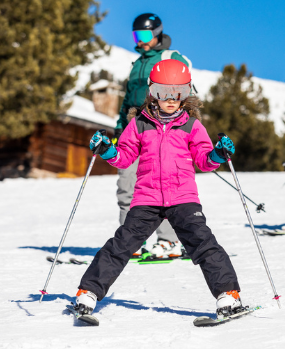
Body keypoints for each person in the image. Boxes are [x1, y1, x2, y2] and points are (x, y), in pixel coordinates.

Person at [74, 60, 242, 319]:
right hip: (147, 198)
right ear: (153, 91)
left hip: (182, 198)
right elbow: (125, 156)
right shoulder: (140, 124)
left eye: (179, 93)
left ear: (187, 93)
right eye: (164, 92)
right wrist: (108, 150)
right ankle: (88, 292)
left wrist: (219, 154)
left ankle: (228, 295)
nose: (171, 99)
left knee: (203, 244)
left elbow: (204, 160)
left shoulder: (192, 125)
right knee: (122, 244)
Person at [114, 13, 192, 258]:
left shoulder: (171, 58)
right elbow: (128, 101)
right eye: (137, 35)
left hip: (162, 128)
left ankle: (168, 240)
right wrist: (119, 128)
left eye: (145, 35)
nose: (140, 41)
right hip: (134, 128)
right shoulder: (136, 64)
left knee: (162, 185)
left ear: (157, 33)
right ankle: (130, 241)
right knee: (126, 185)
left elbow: (185, 93)